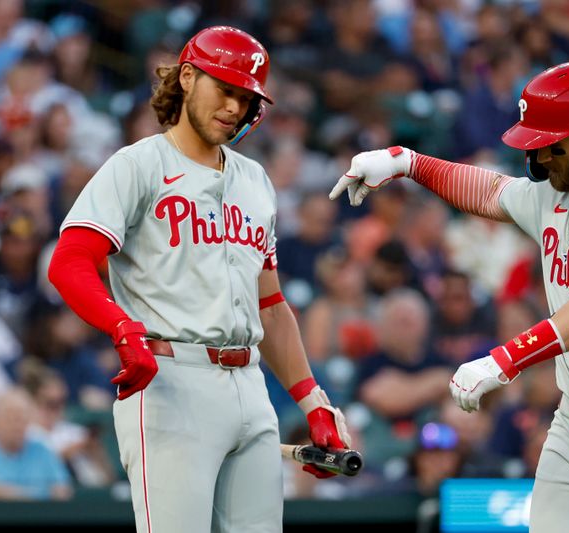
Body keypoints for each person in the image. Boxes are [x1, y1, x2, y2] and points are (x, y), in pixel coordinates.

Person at [331, 61, 569, 532]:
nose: (539, 156)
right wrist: (408, 162)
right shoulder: (557, 193)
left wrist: (506, 359)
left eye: (550, 142)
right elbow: (489, 190)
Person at [47, 26, 350, 532]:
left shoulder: (255, 180)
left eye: (246, 98)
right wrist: (122, 327)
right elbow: (70, 261)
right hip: (170, 379)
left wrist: (312, 400)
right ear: (187, 77)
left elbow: (270, 306)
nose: (235, 107)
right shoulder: (139, 164)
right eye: (224, 89)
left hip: (249, 385)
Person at [0, 387, 72, 500]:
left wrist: (10, 492)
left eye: (21, 418)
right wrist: (42, 492)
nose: (16, 425)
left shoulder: (42, 451)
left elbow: (62, 491)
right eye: (9, 417)